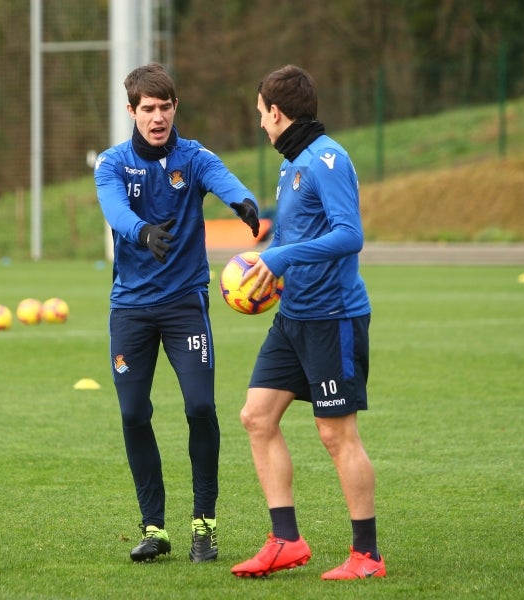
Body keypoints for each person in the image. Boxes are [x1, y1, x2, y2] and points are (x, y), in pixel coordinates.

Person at [94, 62, 260, 563]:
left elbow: (224, 178)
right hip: (130, 308)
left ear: (175, 108)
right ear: (131, 111)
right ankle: (154, 527)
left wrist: (244, 202)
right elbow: (115, 210)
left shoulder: (194, 157)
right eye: (148, 108)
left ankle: (204, 526)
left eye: (165, 107)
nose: (158, 117)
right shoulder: (112, 163)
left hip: (185, 304)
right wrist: (141, 231)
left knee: (200, 407)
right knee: (132, 413)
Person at [230, 65, 386, 580]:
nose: (260, 123)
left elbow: (349, 235)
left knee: (336, 434)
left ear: (277, 112)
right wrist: (262, 267)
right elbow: (290, 237)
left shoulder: (327, 159)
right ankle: (286, 540)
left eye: (261, 114)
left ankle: (367, 556)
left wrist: (282, 257)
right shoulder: (292, 164)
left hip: (332, 317)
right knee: (257, 417)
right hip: (292, 317)